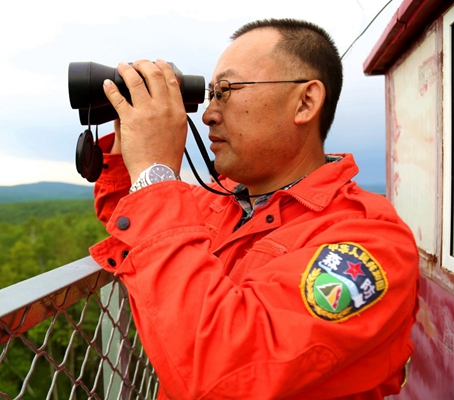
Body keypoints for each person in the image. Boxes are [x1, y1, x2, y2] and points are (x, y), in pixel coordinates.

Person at [88, 18, 419, 399]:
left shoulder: (369, 242)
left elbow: (223, 373)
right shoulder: (224, 202)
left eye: (226, 91)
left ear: (305, 101)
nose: (208, 114)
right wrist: (131, 131)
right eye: (209, 94)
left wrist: (156, 172)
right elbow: (133, 215)